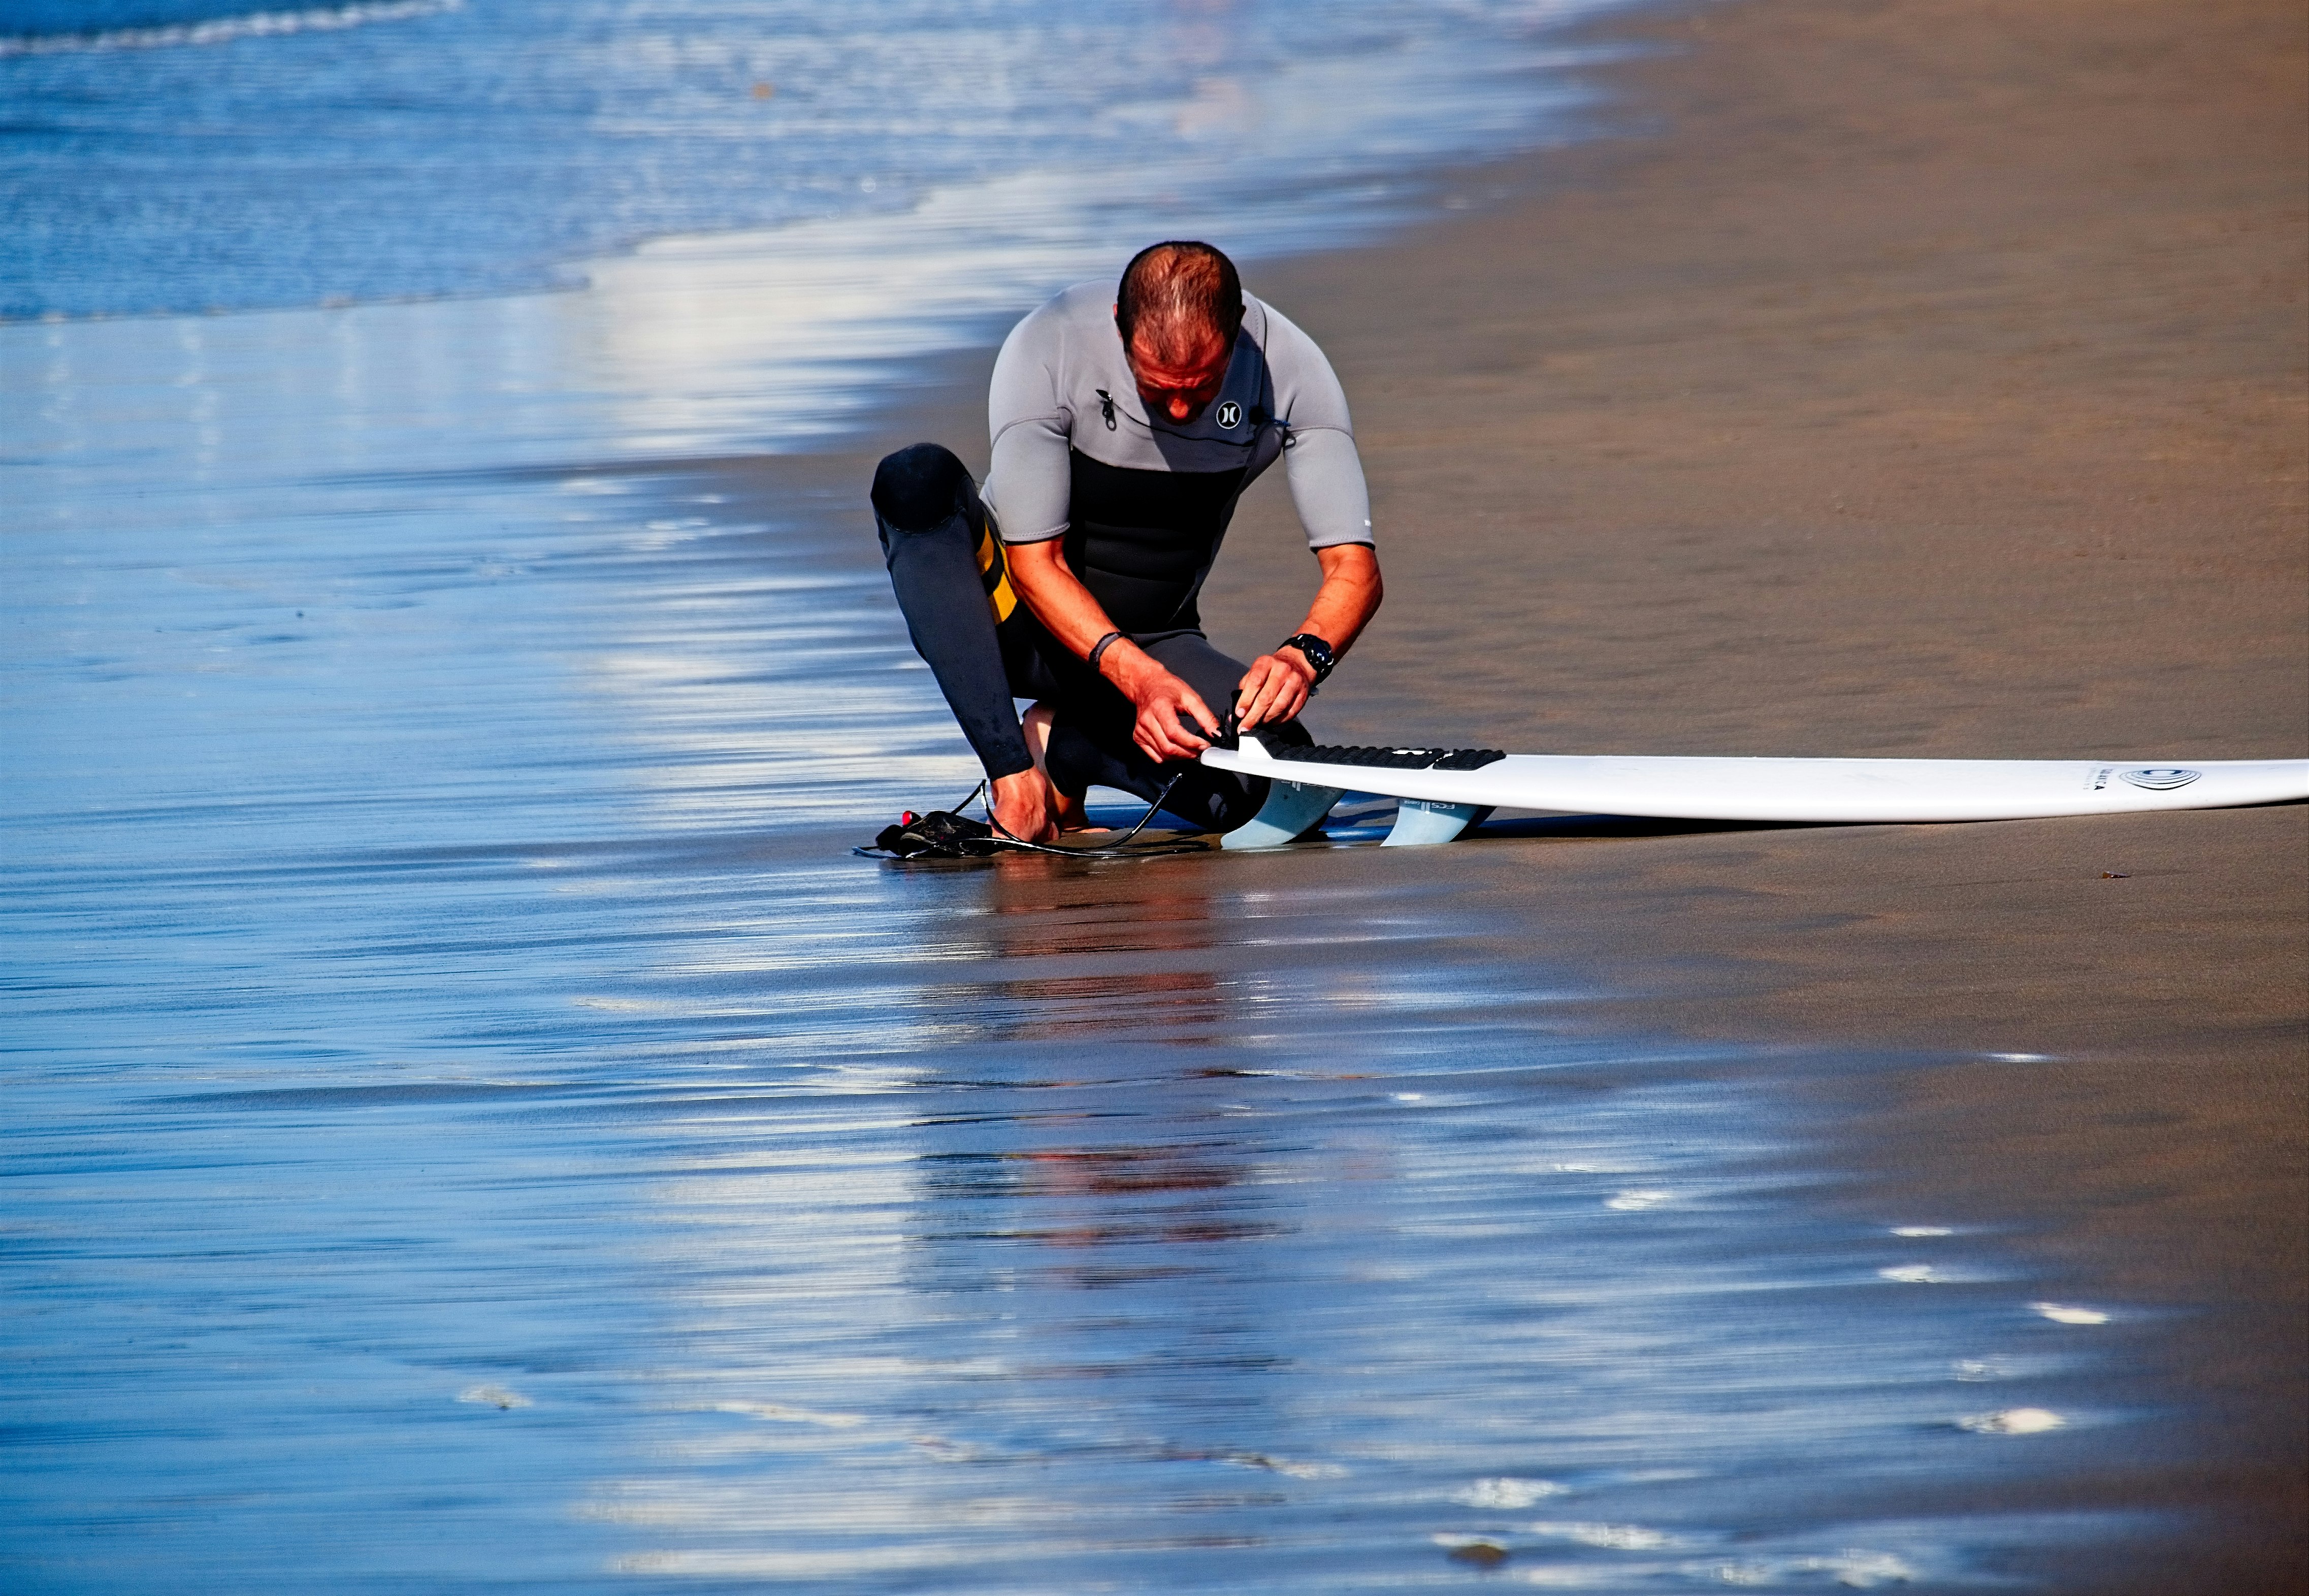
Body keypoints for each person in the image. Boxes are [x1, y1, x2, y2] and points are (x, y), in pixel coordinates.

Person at [869, 241, 1383, 841]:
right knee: (913, 478)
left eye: (1203, 385)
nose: (1181, 407)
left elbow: (1354, 566)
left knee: (1278, 785)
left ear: (1237, 326)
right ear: (1119, 325)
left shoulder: (1290, 371)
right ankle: (1014, 773)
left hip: (1156, 637)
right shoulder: (1051, 345)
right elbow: (1036, 564)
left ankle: (1067, 744)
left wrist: (1303, 654)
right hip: (1011, 624)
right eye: (1158, 387)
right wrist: (1136, 680)